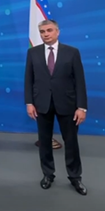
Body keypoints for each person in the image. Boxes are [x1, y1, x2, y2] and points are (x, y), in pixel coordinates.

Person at [25, 19, 88, 195]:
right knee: (44, 142)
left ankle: (75, 177)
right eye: (42, 31)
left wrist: (82, 107)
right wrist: (29, 103)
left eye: (49, 30)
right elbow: (28, 79)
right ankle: (48, 174)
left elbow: (80, 81)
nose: (46, 34)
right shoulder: (33, 53)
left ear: (57, 32)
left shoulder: (72, 52)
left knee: (71, 142)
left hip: (68, 104)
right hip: (42, 104)